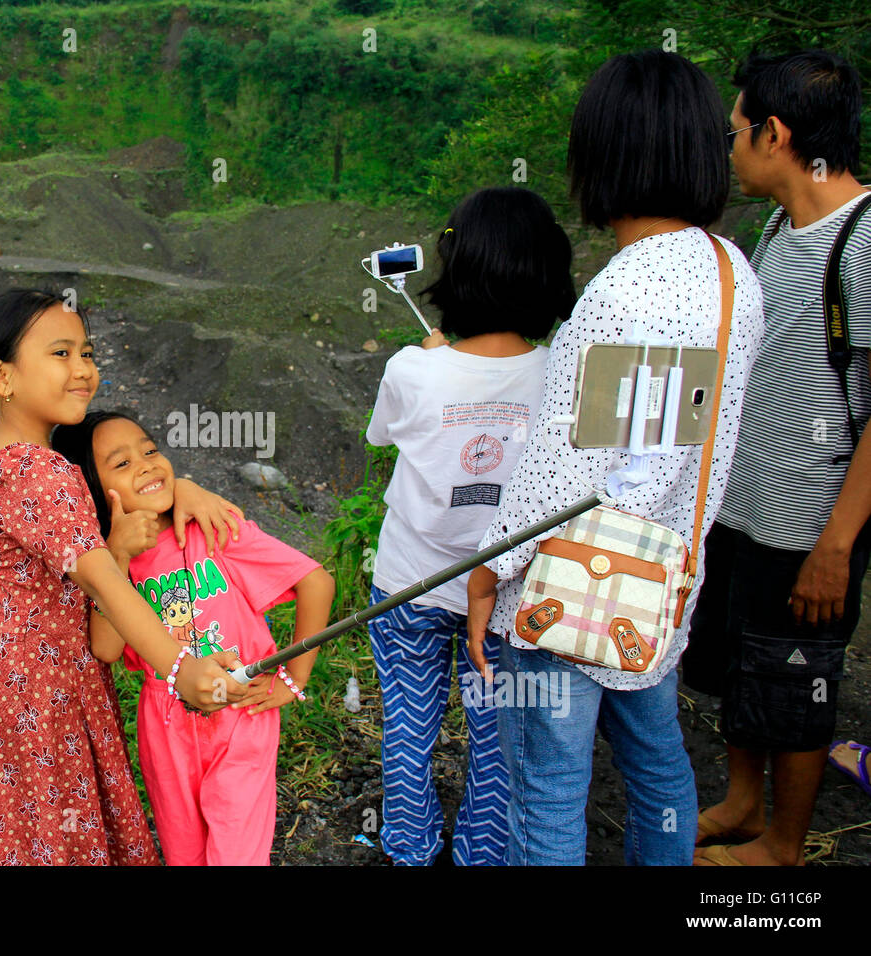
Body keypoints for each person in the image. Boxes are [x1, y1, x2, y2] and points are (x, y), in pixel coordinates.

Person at [465, 50, 766, 866]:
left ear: (607, 152)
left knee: (551, 796)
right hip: (663, 577)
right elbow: (660, 446)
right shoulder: (730, 271)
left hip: (575, 587)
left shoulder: (629, 288)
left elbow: (575, 468)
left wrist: (491, 569)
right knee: (660, 763)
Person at [0, 288, 249, 866]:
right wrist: (180, 669)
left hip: (39, 685)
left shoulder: (16, 458)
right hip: (40, 694)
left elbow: (120, 502)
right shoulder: (37, 472)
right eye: (61, 354)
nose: (84, 369)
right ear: (1, 375)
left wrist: (183, 487)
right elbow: (107, 582)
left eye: (87, 352)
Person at [681, 50, 871, 867]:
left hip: (808, 517)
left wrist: (836, 543)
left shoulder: (861, 244)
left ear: (776, 133)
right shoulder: (778, 227)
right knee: (740, 667)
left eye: (736, 134)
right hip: (744, 503)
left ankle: (784, 847)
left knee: (795, 680)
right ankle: (741, 803)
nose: (729, 151)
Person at [364, 187, 575, 866]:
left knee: (408, 726)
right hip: (509, 588)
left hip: (409, 585)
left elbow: (381, 436)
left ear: (456, 271)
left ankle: (409, 847)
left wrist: (435, 363)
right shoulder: (561, 374)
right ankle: (484, 854)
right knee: (496, 736)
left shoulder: (411, 369)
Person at [52, 411, 336, 865]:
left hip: (240, 713)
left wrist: (294, 677)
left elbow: (315, 581)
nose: (146, 465)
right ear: (91, 491)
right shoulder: (104, 562)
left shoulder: (213, 529)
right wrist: (118, 553)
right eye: (121, 464)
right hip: (165, 727)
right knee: (185, 852)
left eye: (149, 450)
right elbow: (105, 648)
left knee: (236, 855)